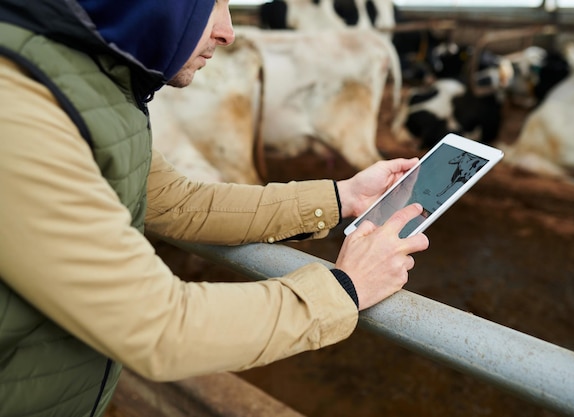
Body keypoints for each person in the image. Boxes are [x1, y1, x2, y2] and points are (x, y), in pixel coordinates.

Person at [0, 0, 430, 416]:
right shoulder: (19, 108)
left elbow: (179, 201)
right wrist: (345, 289)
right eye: (209, 4)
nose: (229, 32)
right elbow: (156, 328)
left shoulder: (91, 82)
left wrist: (341, 197)